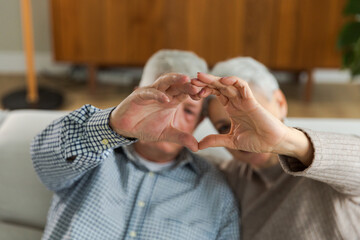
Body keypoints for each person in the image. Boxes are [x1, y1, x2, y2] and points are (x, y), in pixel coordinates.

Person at [31, 50, 239, 240]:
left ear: (198, 123)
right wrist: (112, 125)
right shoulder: (90, 152)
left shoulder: (216, 191)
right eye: (162, 102)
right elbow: (43, 161)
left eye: (188, 111)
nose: (170, 120)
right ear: (136, 97)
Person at [191, 57, 360, 240]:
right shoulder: (232, 176)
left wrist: (285, 141)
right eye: (224, 127)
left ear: (280, 102)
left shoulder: (326, 163)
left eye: (250, 116)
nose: (242, 135)